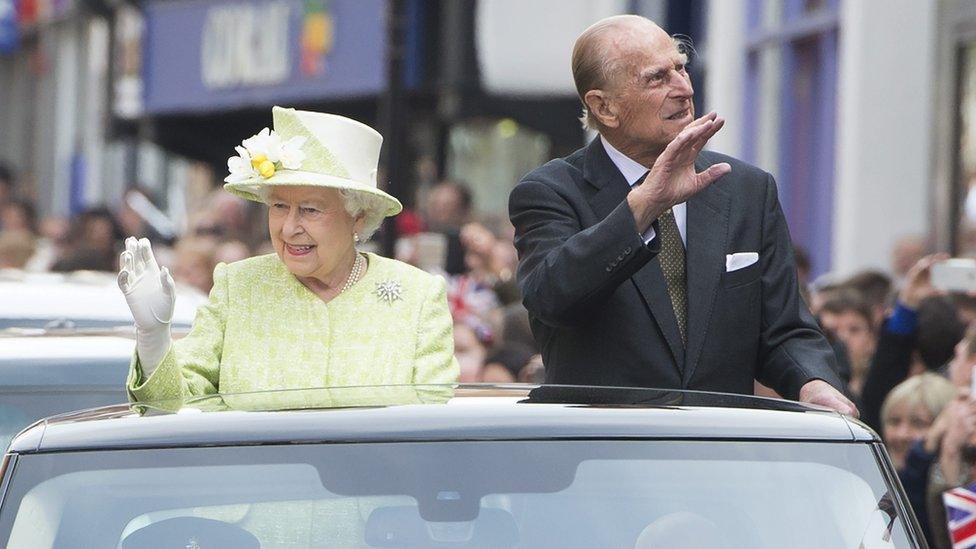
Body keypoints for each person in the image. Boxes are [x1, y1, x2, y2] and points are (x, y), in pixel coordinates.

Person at [508, 15, 853, 413]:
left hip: (717, 451)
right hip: (604, 453)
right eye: (657, 78)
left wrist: (814, 382)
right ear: (604, 107)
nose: (684, 88)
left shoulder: (744, 188)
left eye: (681, 67)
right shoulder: (551, 192)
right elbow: (552, 298)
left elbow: (783, 329)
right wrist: (642, 208)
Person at [119, 107, 459, 403]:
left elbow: (432, 424)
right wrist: (153, 340)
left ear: (358, 215)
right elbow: (171, 407)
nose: (288, 227)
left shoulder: (417, 296)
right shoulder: (239, 287)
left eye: (310, 210)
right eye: (279, 206)